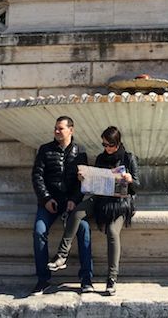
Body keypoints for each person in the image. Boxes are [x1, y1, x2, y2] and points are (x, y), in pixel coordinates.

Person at [48, 125, 139, 296]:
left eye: (109, 145)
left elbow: (139, 186)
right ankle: (62, 255)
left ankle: (112, 278)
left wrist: (130, 180)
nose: (106, 148)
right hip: (100, 198)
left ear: (117, 143)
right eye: (104, 144)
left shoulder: (128, 158)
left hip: (119, 203)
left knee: (112, 232)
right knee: (77, 212)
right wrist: (84, 179)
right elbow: (93, 185)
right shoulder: (100, 158)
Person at [30, 116, 92, 295]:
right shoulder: (45, 150)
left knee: (84, 229)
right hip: (49, 202)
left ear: (70, 130)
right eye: (55, 128)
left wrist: (74, 199)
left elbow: (83, 181)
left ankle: (86, 279)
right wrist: (46, 199)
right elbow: (37, 177)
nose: (57, 131)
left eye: (61, 128)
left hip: (71, 204)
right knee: (39, 231)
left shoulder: (80, 152)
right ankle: (43, 280)